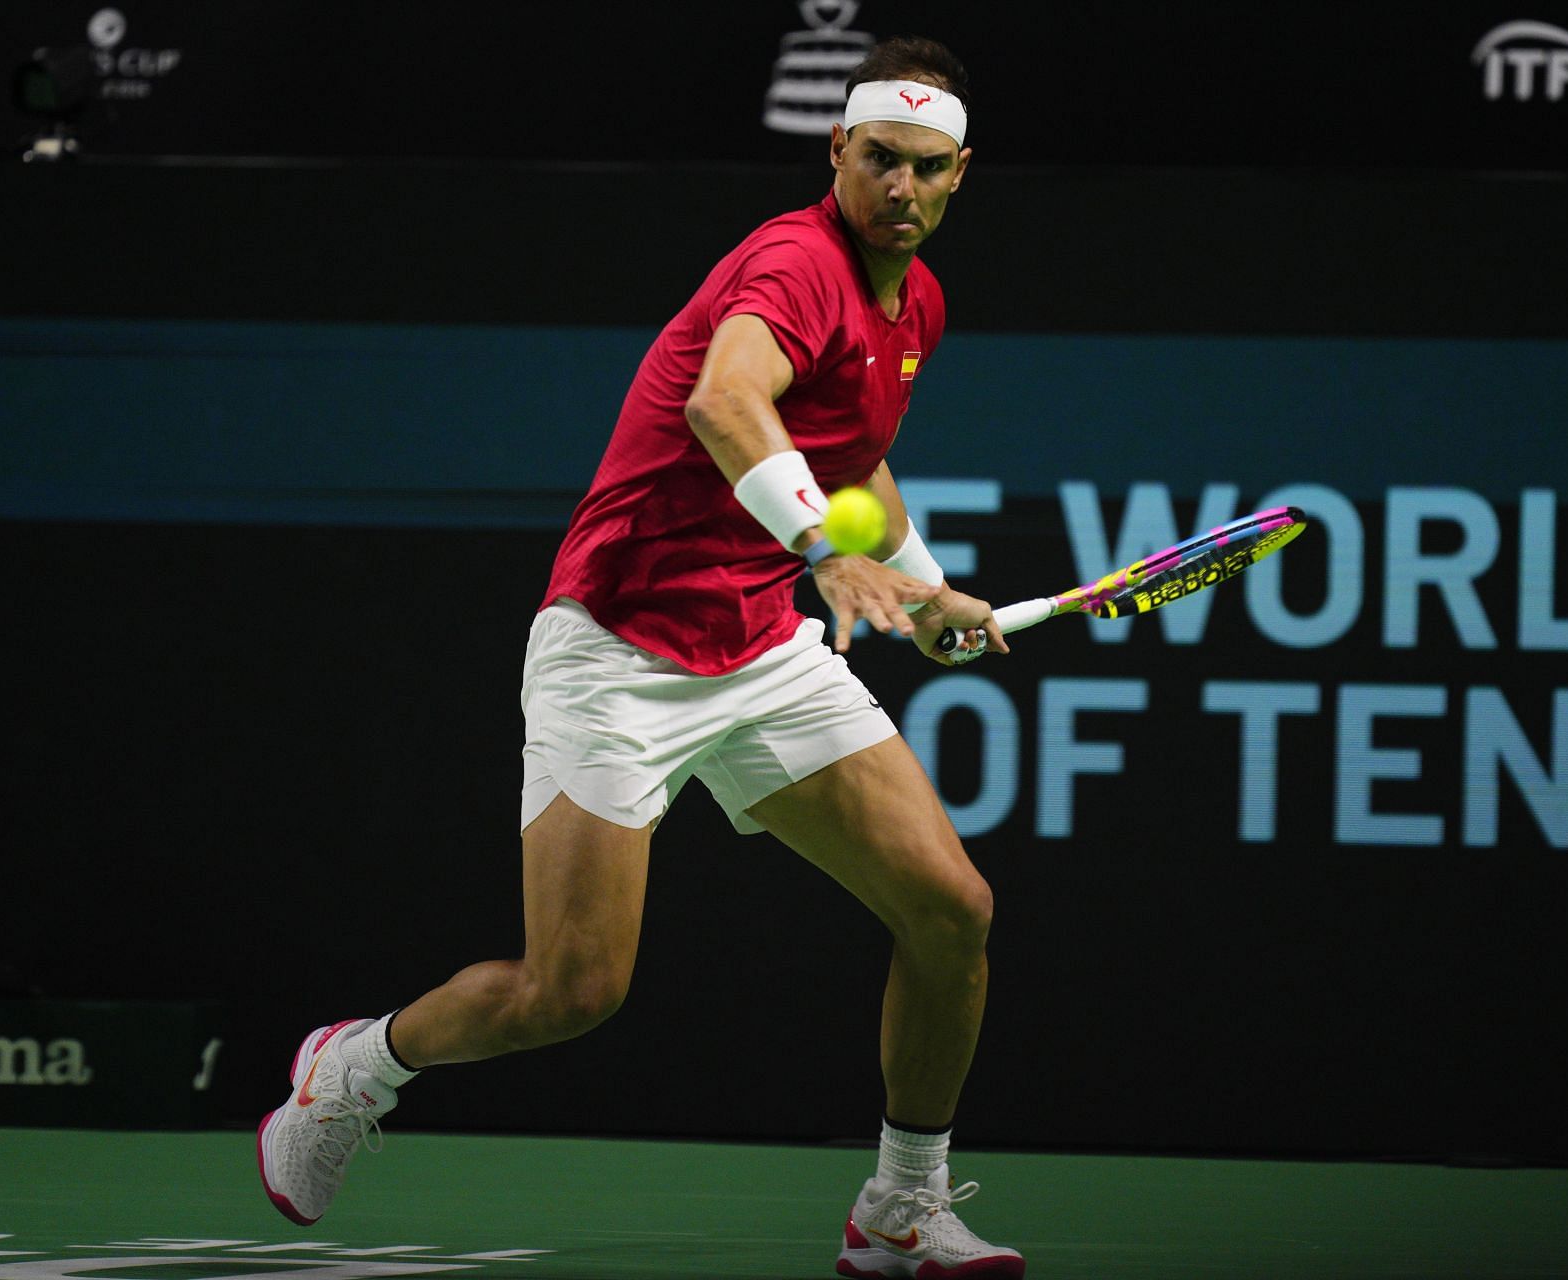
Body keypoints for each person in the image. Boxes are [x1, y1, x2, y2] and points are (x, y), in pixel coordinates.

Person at [257, 35, 1024, 1280]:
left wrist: (923, 586)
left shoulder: (915, 302)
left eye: (925, 167)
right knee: (569, 989)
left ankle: (901, 1204)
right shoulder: (795, 262)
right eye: (877, 158)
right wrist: (830, 557)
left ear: (957, 175)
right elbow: (730, 406)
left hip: (761, 643)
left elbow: (845, 452)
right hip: (618, 643)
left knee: (952, 908)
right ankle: (356, 1065)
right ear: (838, 150)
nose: (898, 186)